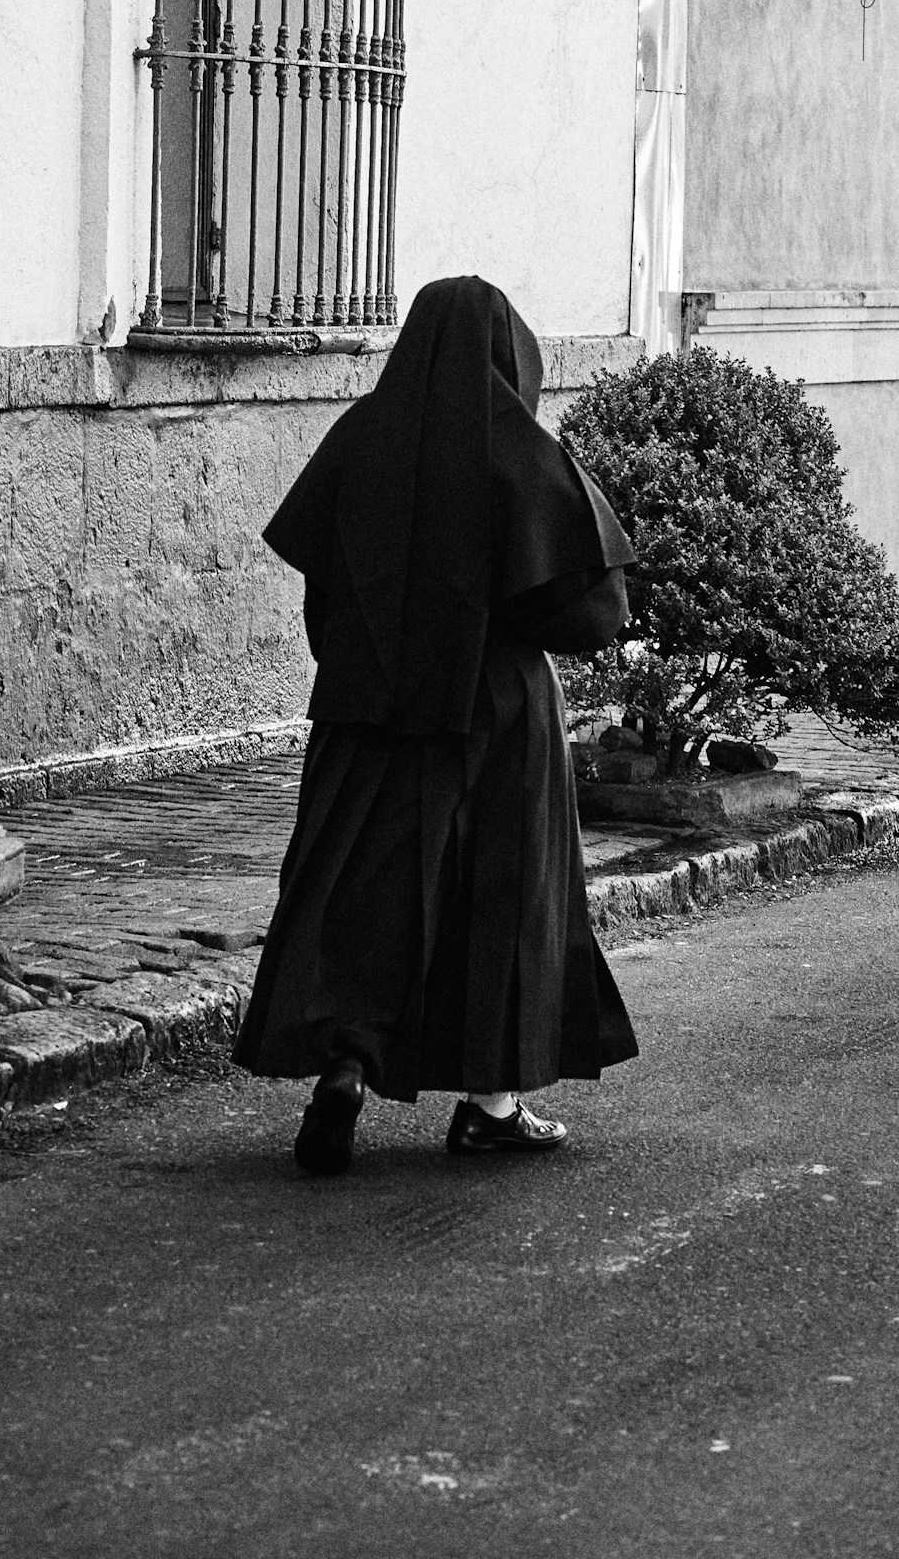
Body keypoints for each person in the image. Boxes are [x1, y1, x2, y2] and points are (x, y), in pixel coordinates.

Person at [234, 274, 639, 1172]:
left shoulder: (359, 437)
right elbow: (593, 612)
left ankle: (344, 1065)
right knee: (501, 898)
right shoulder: (520, 451)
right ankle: (492, 1107)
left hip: (366, 709)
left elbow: (322, 598)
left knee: (363, 893)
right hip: (496, 713)